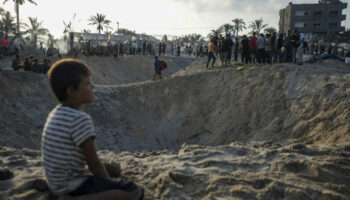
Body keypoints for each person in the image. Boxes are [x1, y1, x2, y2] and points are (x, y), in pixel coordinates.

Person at [43, 59, 144, 200]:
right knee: (134, 191)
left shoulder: (55, 113)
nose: (93, 86)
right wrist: (110, 185)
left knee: (109, 167)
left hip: (55, 182)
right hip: (72, 186)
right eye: (88, 83)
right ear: (72, 91)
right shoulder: (80, 119)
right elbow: (93, 164)